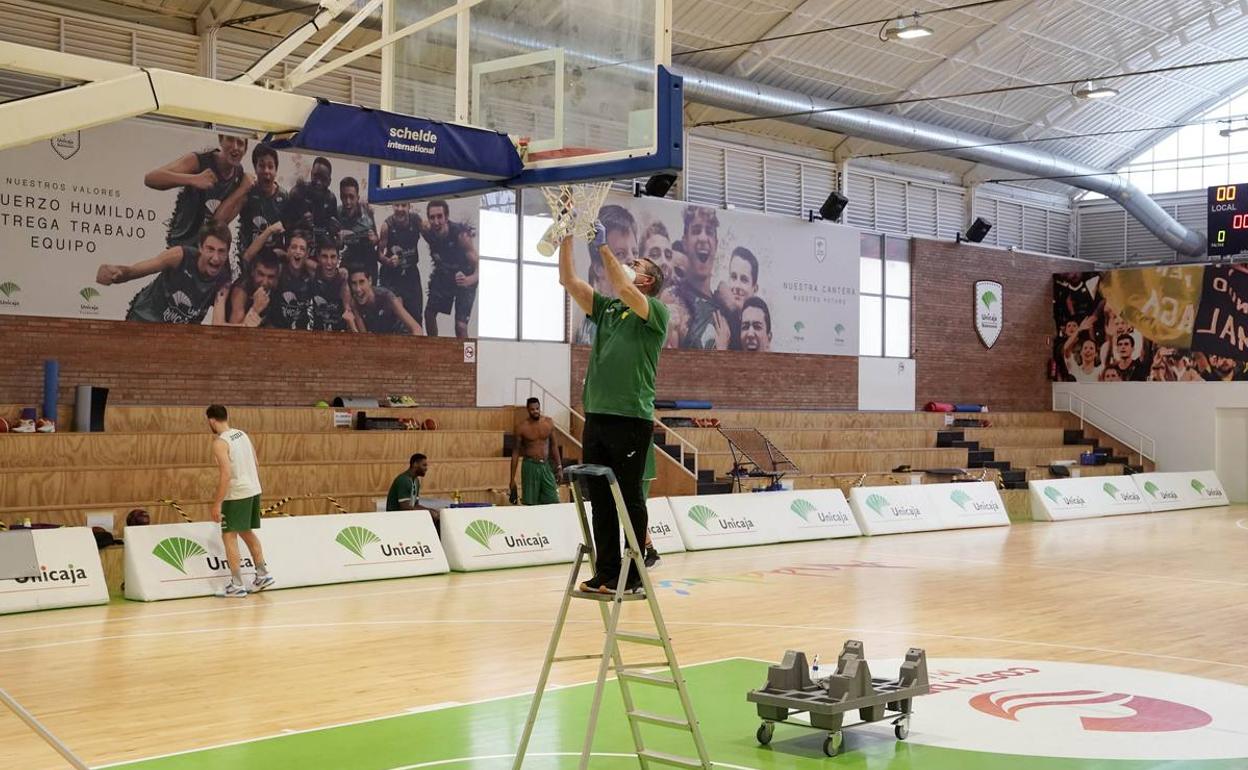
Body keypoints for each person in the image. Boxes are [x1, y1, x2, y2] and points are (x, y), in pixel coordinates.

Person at [559, 225, 668, 595]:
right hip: (598, 416)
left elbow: (622, 285)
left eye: (635, 263)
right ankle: (605, 573)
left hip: (631, 418)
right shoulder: (607, 310)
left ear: (648, 281)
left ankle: (634, 572)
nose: (627, 263)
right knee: (601, 498)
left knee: (629, 497)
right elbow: (569, 280)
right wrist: (566, 237)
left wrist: (602, 244)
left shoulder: (653, 312)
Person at [97, 223, 232, 324]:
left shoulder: (223, 280)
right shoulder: (179, 256)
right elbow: (134, 271)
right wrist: (118, 273)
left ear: (227, 253)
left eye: (221, 251)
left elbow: (218, 324)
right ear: (200, 247)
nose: (216, 258)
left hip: (177, 339)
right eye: (210, 249)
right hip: (143, 320)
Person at [206, 404, 274, 598]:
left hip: (237, 494)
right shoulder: (242, 434)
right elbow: (256, 462)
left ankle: (236, 584)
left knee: (229, 536)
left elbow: (226, 473)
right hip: (253, 489)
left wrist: (217, 503)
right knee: (246, 532)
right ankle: (262, 574)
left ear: (211, 420)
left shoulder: (220, 442)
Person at [146, 134, 247, 247]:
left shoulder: (240, 175)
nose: (235, 147)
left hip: (207, 250)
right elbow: (151, 178)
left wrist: (242, 191)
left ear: (245, 150)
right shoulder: (199, 160)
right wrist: (193, 179)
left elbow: (218, 222)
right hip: (181, 245)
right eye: (230, 139)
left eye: (240, 143)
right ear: (220, 140)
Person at [574, 205, 640, 345]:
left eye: (634, 252)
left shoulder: (637, 311)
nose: (631, 260)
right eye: (620, 254)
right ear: (598, 268)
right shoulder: (598, 324)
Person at [664, 206, 727, 349]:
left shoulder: (724, 308)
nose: (703, 238)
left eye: (709, 232)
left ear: (716, 243)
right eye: (696, 230)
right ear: (685, 242)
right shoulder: (674, 297)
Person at [216, 144, 289, 260]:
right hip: (246, 258)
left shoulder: (284, 197)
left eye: (271, 167)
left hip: (272, 263)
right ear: (255, 168)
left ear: (276, 170)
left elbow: (290, 232)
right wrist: (242, 190)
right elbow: (221, 221)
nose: (266, 171)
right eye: (261, 166)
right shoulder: (248, 192)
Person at [423, 200, 479, 338]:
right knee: (429, 314)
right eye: (432, 217)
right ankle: (433, 351)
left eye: (439, 216)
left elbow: (480, 266)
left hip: (465, 276)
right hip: (444, 275)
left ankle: (467, 359)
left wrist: (469, 280)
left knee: (460, 326)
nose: (436, 222)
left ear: (446, 217)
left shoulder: (461, 236)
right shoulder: (426, 231)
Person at [509, 397, 563, 506]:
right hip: (530, 466)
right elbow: (515, 453)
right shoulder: (521, 427)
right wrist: (512, 479)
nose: (535, 411)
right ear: (528, 410)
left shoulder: (548, 422)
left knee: (553, 499)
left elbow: (554, 446)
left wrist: (559, 467)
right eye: (532, 409)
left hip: (545, 465)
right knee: (530, 503)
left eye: (537, 408)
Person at [379, 202, 425, 323]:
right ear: (392, 206)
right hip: (391, 276)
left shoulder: (416, 221)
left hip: (411, 274)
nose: (400, 209)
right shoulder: (386, 226)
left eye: (403, 205)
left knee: (416, 315)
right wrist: (388, 261)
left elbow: (431, 238)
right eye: (396, 205)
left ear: (409, 206)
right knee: (393, 316)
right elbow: (378, 253)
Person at [283, 156, 340, 245]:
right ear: (311, 174)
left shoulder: (331, 199)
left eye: (323, 179)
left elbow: (334, 232)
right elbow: (284, 226)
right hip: (298, 248)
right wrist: (301, 223)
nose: (318, 182)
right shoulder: (298, 192)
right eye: (316, 176)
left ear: (329, 181)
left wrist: (334, 229)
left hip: (320, 250)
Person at [348, 268, 423, 334]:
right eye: (354, 283)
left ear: (370, 281)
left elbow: (417, 329)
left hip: (400, 337)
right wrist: (351, 324)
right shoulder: (354, 303)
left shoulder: (386, 296)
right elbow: (364, 338)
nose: (358, 289)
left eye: (361, 282)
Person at [307, 239, 358, 332]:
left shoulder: (342, 277)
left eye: (333, 257)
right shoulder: (313, 270)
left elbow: (348, 309)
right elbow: (294, 257)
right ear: (318, 257)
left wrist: (354, 331)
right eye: (324, 257)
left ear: (338, 258)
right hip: (317, 331)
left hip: (339, 331)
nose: (329, 262)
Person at [717, 247, 760, 349]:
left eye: (744, 280)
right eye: (733, 277)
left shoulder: (757, 326)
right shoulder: (717, 313)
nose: (737, 286)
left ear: (755, 288)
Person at [337, 177, 379, 281]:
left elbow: (376, 239)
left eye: (351, 197)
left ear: (358, 197)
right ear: (340, 196)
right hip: (349, 262)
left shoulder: (368, 212)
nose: (348, 201)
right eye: (344, 197)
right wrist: (339, 240)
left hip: (368, 263)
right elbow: (336, 246)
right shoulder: (337, 213)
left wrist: (374, 240)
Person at [225, 252, 281, 327]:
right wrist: (255, 309)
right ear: (253, 272)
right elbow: (235, 331)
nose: (265, 282)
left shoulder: (276, 288)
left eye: (270, 277)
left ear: (277, 277)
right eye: (261, 274)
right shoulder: (241, 291)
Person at [386, 454, 437, 529]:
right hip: (396, 519)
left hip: (407, 517)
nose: (426, 468)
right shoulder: (403, 480)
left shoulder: (416, 481)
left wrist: (430, 510)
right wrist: (427, 512)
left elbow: (415, 505)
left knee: (436, 516)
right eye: (424, 465)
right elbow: (405, 507)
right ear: (415, 464)